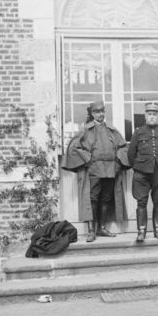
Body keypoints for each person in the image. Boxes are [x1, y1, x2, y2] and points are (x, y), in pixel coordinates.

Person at [62, 100, 128, 242]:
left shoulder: (112, 130)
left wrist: (118, 162)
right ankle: (91, 231)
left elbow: (123, 146)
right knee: (92, 199)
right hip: (94, 170)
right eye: (97, 112)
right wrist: (88, 159)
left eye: (102, 111)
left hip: (110, 170)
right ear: (92, 114)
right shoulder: (86, 130)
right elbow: (75, 147)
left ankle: (102, 228)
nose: (100, 114)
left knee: (106, 199)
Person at [127, 102, 158, 242]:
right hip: (142, 173)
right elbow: (131, 154)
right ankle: (141, 231)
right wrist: (137, 167)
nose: (152, 117)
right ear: (145, 115)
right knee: (141, 202)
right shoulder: (138, 132)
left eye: (154, 114)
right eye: (149, 114)